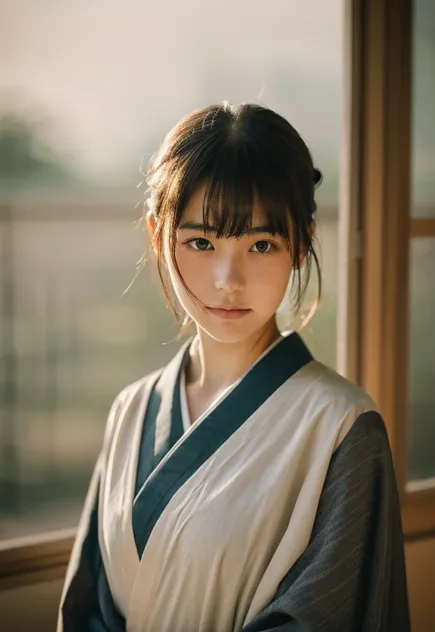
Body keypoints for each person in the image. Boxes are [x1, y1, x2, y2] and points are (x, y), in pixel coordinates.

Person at [57, 102, 411, 632]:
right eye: (201, 242)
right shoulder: (131, 409)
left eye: (261, 244)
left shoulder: (342, 427)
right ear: (158, 235)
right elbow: (89, 606)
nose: (228, 278)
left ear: (302, 242)